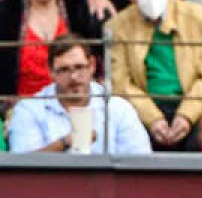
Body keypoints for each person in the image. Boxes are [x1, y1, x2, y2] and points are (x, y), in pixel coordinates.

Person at [107, 0, 202, 152]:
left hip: (193, 106)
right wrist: (152, 118)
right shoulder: (118, 25)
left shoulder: (198, 17)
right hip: (142, 110)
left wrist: (186, 115)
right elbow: (120, 82)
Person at [8, 33, 151, 154]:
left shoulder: (117, 108)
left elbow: (141, 163)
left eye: (79, 67)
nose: (74, 77)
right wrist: (65, 143)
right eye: (64, 70)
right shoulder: (29, 110)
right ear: (51, 72)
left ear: (92, 66)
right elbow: (22, 170)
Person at [0, 0, 105, 109]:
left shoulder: (78, 8)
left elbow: (95, 62)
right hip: (19, 110)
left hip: (74, 106)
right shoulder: (6, 12)